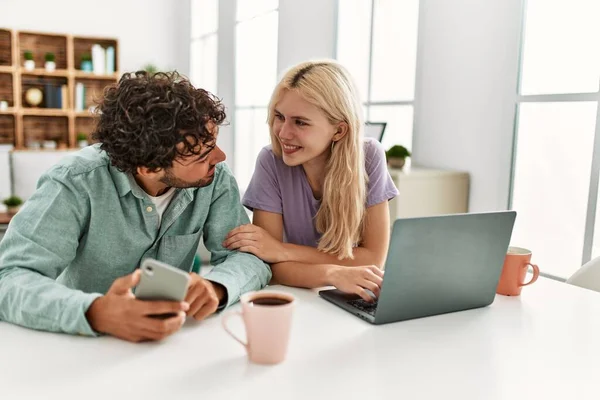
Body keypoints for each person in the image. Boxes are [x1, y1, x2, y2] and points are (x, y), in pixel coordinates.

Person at [0, 71, 271, 342]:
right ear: (149, 167)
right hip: (82, 345)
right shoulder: (74, 182)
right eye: (202, 154)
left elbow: (248, 257)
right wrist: (96, 312)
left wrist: (217, 287)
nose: (220, 157)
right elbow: (9, 279)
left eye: (213, 143)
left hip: (171, 343)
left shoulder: (215, 178)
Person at [223, 60, 398, 302]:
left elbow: (372, 260)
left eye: (300, 122)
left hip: (353, 296)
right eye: (279, 116)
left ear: (339, 131)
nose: (283, 132)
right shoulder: (270, 162)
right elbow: (267, 265)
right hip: (296, 298)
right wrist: (333, 273)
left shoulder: (370, 157)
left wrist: (283, 250)